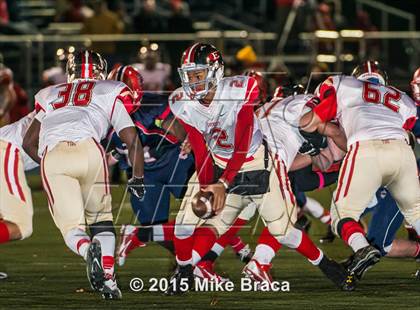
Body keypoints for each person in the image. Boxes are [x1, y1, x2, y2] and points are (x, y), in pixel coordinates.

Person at [166, 43, 350, 294]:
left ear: (216, 71)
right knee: (185, 223)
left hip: (256, 161)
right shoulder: (182, 102)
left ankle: (327, 265)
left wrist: (222, 184)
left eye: (198, 75)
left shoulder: (239, 90)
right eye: (189, 75)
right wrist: (208, 184)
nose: (192, 82)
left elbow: (243, 141)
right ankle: (185, 272)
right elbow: (200, 148)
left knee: (283, 231)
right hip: (218, 161)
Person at [22, 50, 145, 300]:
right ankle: (108, 279)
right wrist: (138, 177)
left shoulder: (50, 93)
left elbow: (28, 143)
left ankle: (88, 250)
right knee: (102, 218)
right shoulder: (109, 89)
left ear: (70, 72)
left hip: (55, 153)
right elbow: (131, 139)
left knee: (71, 227)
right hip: (90, 150)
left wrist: (47, 164)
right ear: (100, 71)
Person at [299, 60, 419, 284]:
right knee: (415, 212)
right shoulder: (400, 97)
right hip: (402, 149)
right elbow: (412, 128)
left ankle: (362, 248)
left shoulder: (343, 84)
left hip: (365, 148)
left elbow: (317, 117)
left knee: (342, 213)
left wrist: (306, 128)